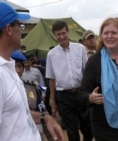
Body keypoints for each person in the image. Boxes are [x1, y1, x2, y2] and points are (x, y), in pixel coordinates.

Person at [0, 2, 64, 141]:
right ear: (9, 29)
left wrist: (44, 117)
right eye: (19, 25)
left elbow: (16, 113)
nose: (21, 30)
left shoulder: (9, 67)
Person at [46, 20, 93, 141]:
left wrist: (89, 93)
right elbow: (52, 79)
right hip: (64, 97)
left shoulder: (80, 49)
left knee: (87, 129)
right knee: (72, 131)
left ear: (68, 32)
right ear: (54, 35)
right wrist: (52, 101)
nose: (61, 37)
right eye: (58, 34)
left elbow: (87, 72)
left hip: (81, 94)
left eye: (63, 33)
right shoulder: (51, 55)